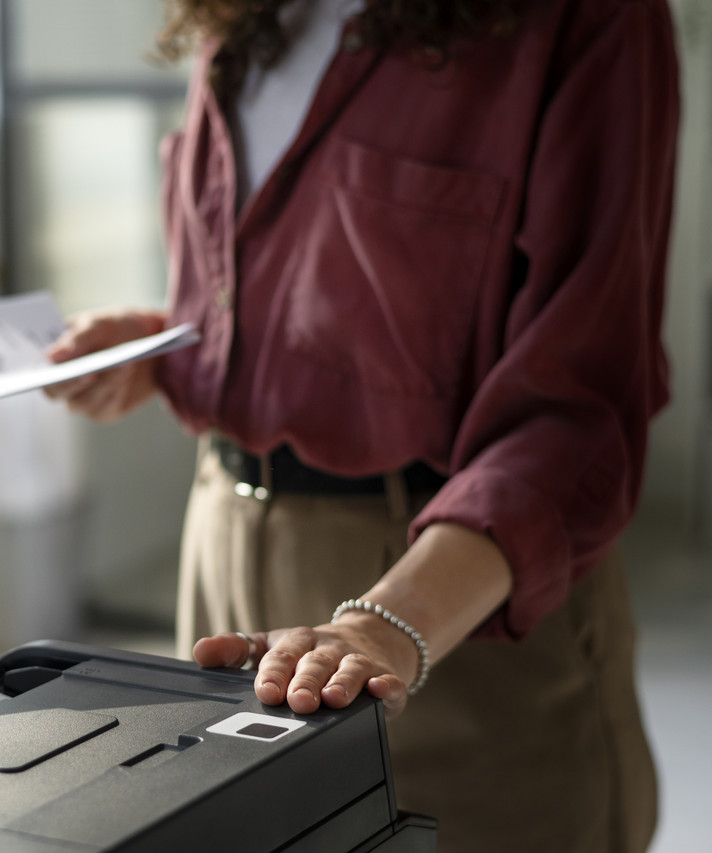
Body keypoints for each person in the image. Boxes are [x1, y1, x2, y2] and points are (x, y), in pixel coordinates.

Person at [44, 0, 680, 850]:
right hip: (223, 560)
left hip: (446, 608)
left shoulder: (586, 20)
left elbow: (575, 410)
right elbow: (340, 282)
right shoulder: (239, 17)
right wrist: (176, 347)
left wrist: (382, 626)